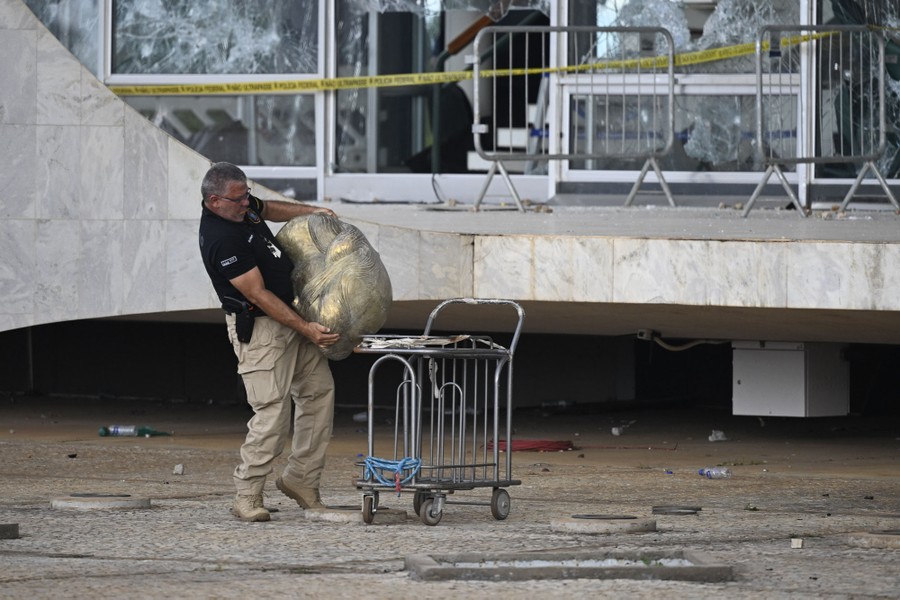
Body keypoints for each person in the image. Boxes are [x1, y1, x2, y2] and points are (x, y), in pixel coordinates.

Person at [198, 161, 340, 522]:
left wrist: (314, 212)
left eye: (247, 194)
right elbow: (259, 294)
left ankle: (301, 480)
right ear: (215, 201)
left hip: (292, 318)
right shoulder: (220, 239)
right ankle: (247, 494)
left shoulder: (241, 206)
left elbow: (270, 209)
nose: (247, 203)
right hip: (262, 330)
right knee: (272, 414)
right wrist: (308, 328)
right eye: (238, 198)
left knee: (318, 393)